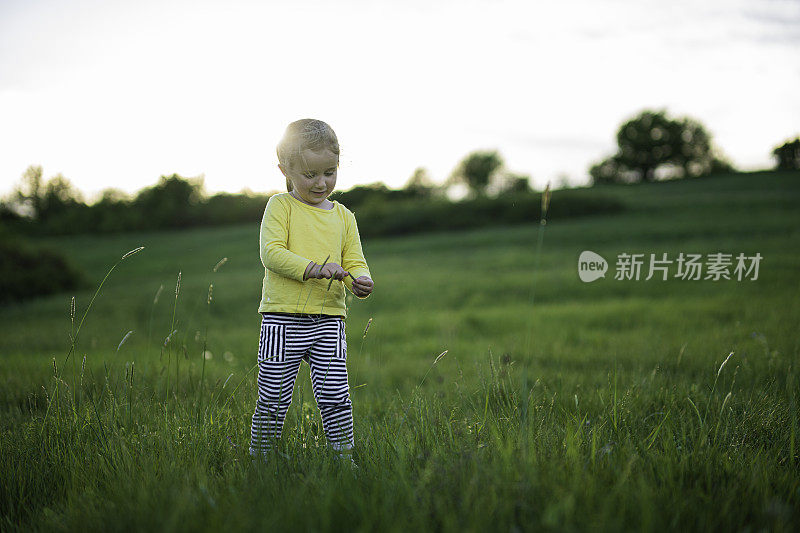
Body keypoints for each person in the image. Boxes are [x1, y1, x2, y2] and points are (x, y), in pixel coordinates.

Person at [249, 119, 374, 467]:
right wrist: (313, 268)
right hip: (281, 319)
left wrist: (359, 281)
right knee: (273, 398)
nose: (321, 183)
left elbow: (354, 261)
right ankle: (262, 460)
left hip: (329, 320)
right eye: (310, 175)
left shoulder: (344, 216)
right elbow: (271, 253)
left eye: (329, 172)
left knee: (336, 396)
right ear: (285, 170)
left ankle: (343, 459)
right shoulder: (281, 207)